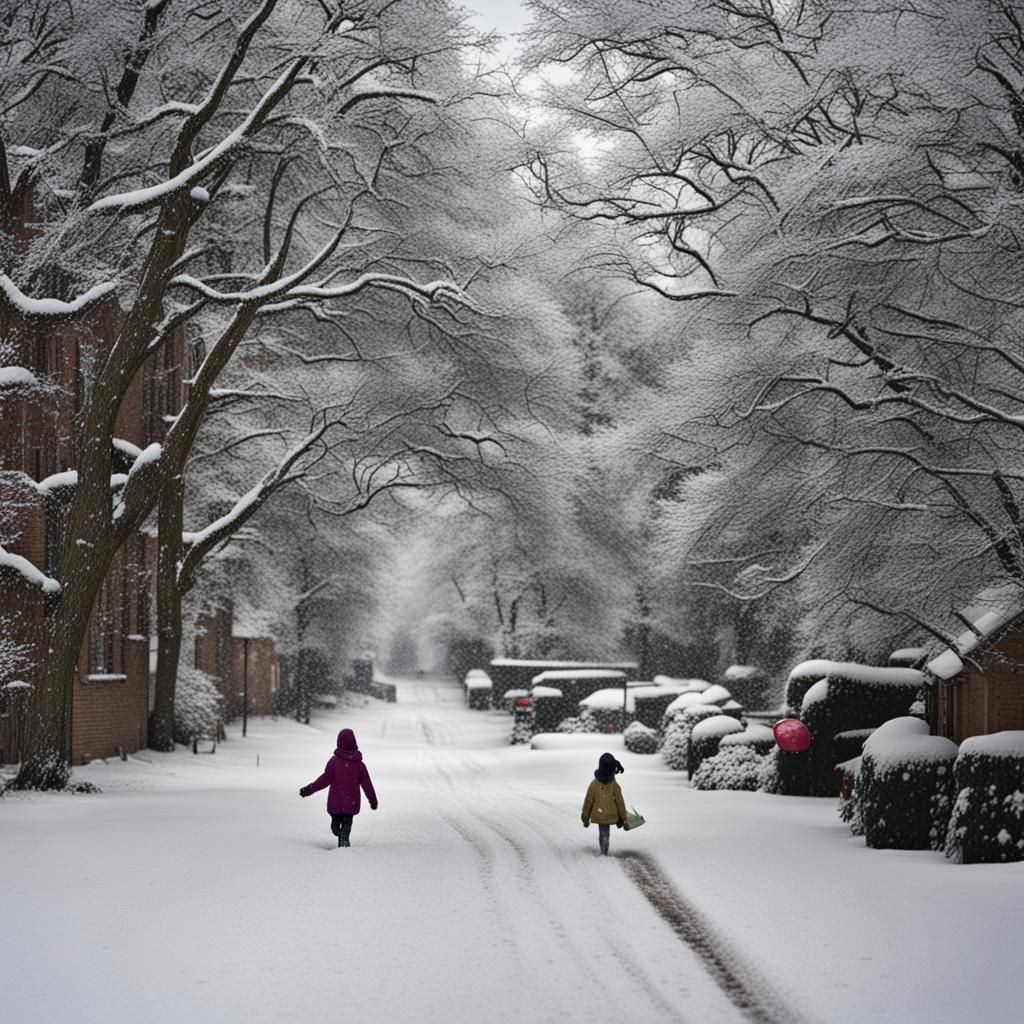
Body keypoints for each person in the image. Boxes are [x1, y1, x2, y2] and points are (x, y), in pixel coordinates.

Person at [300, 727, 378, 847]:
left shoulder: (335, 762)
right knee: (344, 825)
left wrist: (308, 790)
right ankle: (343, 839)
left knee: (338, 827)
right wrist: (373, 801)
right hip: (351, 803)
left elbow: (323, 780)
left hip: (336, 803)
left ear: (339, 742)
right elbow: (367, 785)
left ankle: (343, 841)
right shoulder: (357, 764)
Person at [581, 752, 627, 856]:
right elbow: (620, 801)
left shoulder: (594, 784)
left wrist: (585, 816)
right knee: (605, 831)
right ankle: (604, 848)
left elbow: (589, 800)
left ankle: (604, 849)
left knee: (603, 830)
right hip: (611, 814)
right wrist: (623, 817)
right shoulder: (614, 785)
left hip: (599, 814)